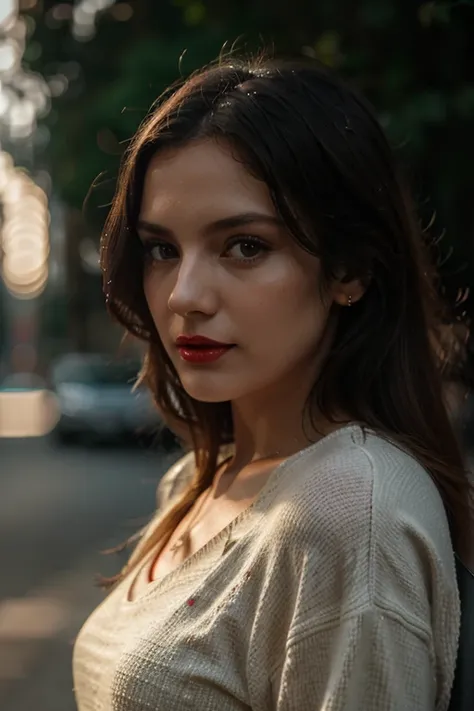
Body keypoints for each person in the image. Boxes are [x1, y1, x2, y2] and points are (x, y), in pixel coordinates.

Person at [72, 53, 473, 710]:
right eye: (161, 249)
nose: (185, 296)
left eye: (245, 246)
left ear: (348, 269)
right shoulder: (203, 480)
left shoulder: (348, 515)